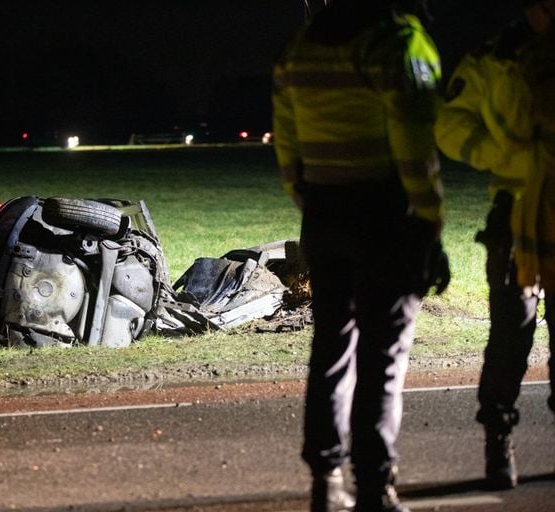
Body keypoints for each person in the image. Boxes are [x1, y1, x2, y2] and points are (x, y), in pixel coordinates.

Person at [272, 1, 447, 511]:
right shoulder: (396, 42)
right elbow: (415, 143)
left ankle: (325, 481)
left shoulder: (299, 46)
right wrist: (429, 219)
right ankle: (374, 485)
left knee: (331, 346)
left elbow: (288, 149)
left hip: (324, 212)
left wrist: (315, 202)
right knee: (384, 354)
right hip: (386, 213)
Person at [434, 0, 555, 491]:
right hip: (516, 209)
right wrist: (506, 157)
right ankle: (498, 441)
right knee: (512, 333)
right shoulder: (494, 57)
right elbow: (450, 125)